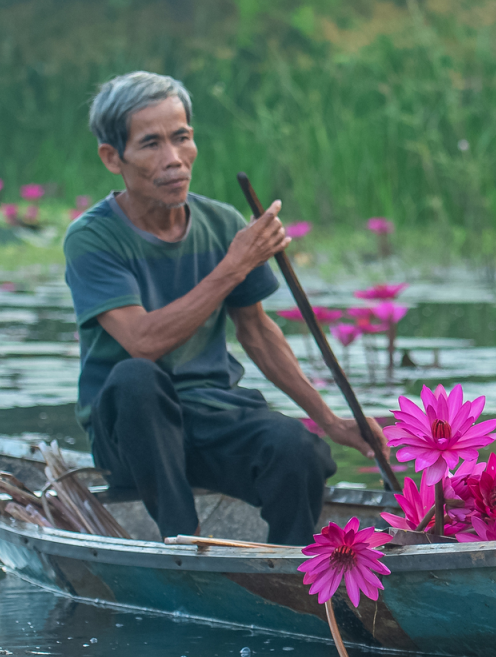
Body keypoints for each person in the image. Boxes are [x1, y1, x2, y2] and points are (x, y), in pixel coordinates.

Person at [64, 70, 381, 544]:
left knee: (299, 450)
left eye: (182, 138)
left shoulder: (220, 223)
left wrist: (330, 420)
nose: (173, 160)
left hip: (211, 420)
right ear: (114, 157)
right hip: (132, 438)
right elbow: (143, 342)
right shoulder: (93, 237)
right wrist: (233, 266)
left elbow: (257, 332)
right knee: (136, 377)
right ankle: (184, 541)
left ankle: (291, 570)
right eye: (151, 144)